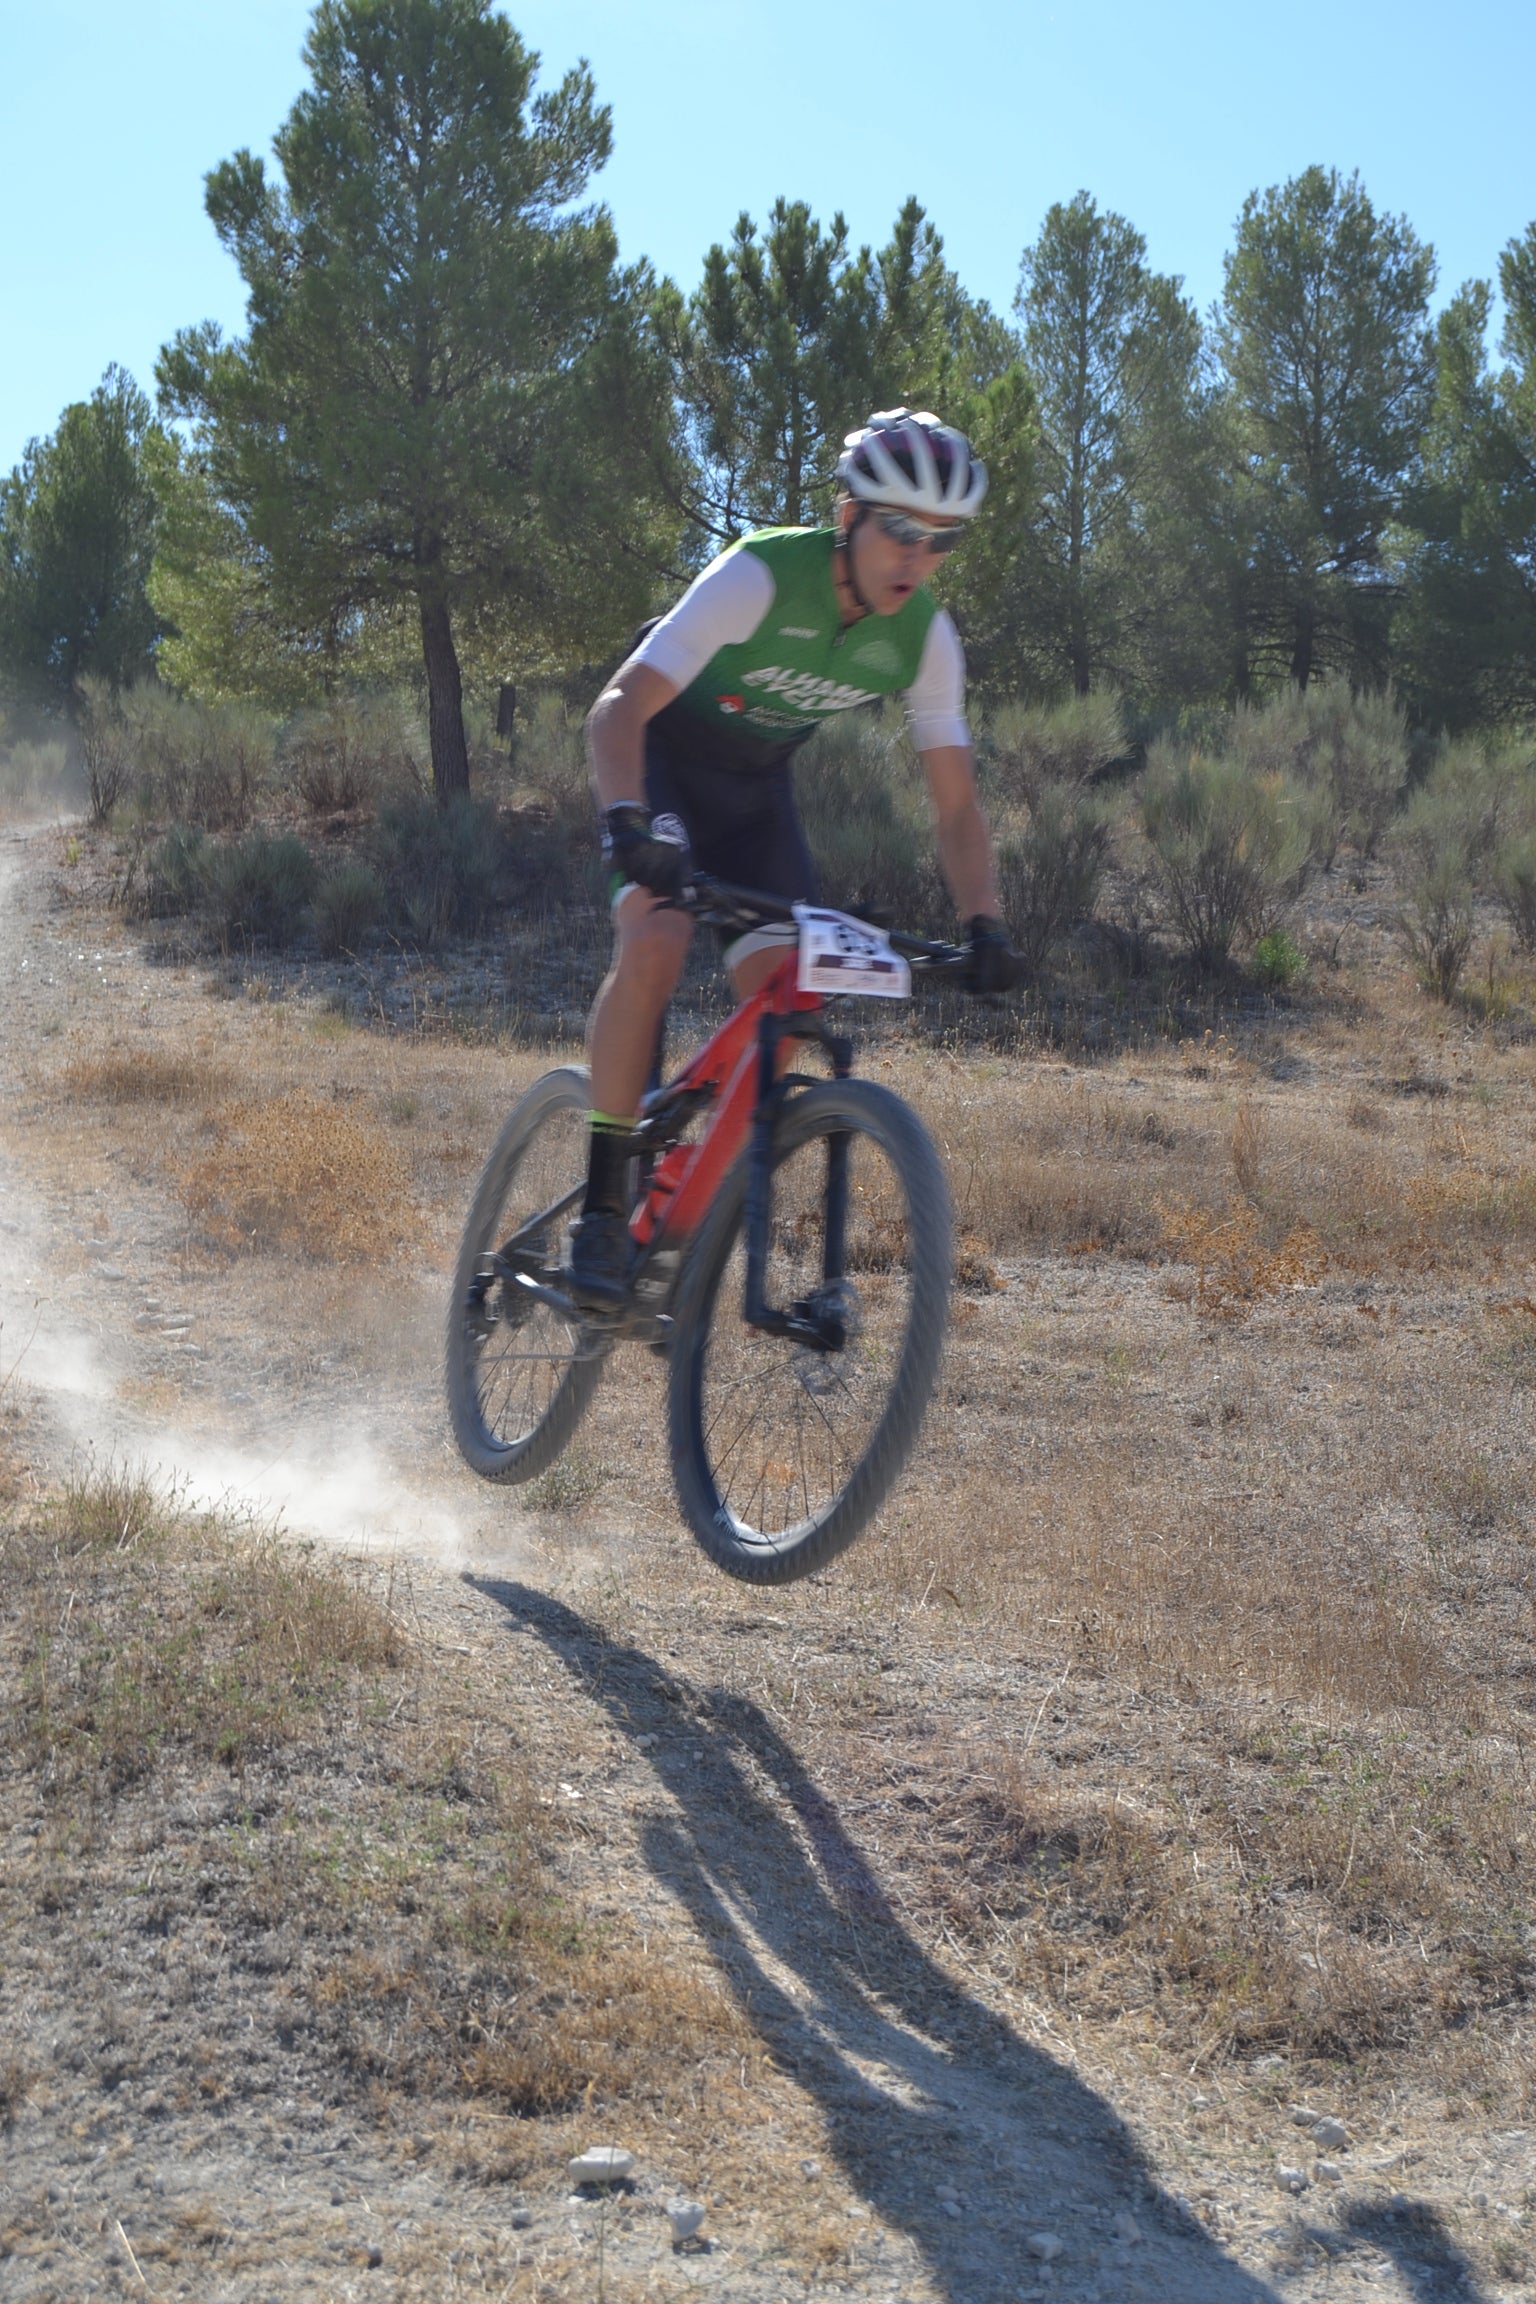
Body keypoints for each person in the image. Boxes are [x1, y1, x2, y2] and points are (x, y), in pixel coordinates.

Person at [572, 406, 1022, 1311]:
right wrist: (627, 823)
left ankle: (678, 1235)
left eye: (942, 540)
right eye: (899, 529)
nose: (916, 557)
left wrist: (987, 924)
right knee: (655, 941)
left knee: (790, 1005)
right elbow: (618, 707)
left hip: (753, 797)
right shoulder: (761, 576)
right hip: (661, 760)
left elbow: (958, 805)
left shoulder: (925, 636)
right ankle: (600, 1200)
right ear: (849, 515)